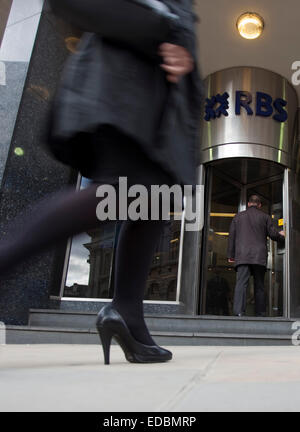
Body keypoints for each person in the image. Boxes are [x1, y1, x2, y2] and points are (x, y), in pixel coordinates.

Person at [0, 0, 202, 364]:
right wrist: (163, 34)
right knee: (121, 193)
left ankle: (127, 313)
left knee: (152, 199)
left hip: (155, 100)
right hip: (125, 84)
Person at [227, 195, 285, 317]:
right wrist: (282, 235)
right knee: (259, 285)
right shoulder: (265, 217)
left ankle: (238, 312)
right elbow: (273, 234)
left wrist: (231, 255)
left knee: (241, 284)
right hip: (259, 256)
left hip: (242, 256)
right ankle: (260, 313)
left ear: (248, 204)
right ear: (259, 205)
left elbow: (232, 237)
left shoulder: (238, 217)